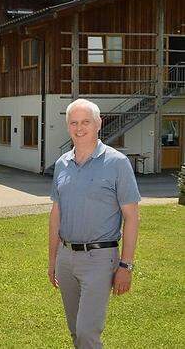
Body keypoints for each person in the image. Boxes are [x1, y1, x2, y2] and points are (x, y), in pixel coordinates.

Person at [48, 98, 140, 349]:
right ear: (68, 126)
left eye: (86, 122)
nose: (79, 128)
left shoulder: (117, 163)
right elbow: (56, 213)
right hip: (66, 258)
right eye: (74, 123)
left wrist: (126, 265)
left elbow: (132, 217)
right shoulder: (61, 164)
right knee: (75, 331)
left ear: (99, 124)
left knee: (87, 333)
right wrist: (52, 260)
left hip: (100, 259)